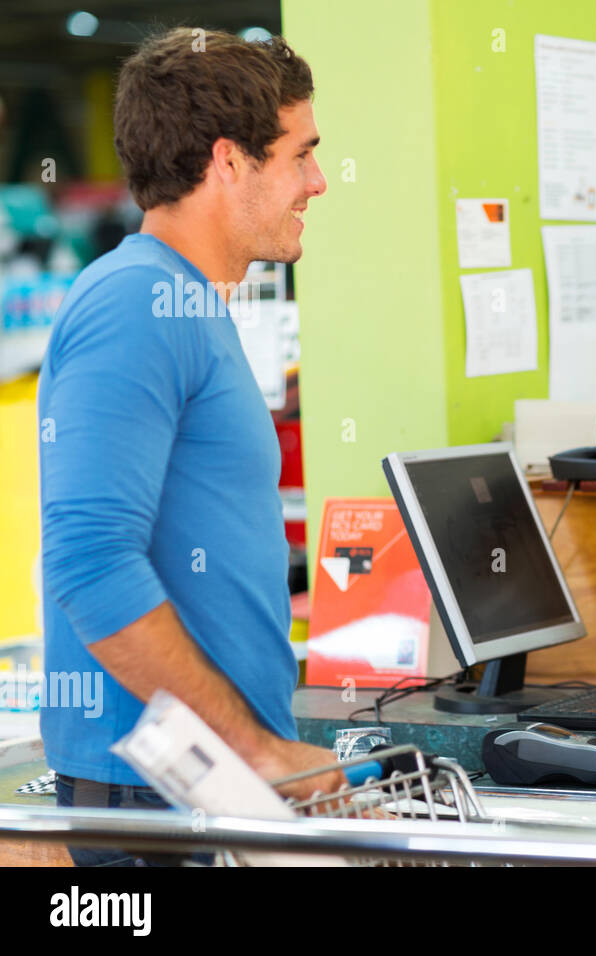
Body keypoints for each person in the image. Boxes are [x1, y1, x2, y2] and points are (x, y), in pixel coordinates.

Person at [37, 28, 342, 865]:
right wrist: (254, 748)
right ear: (230, 161)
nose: (317, 182)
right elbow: (89, 559)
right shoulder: (135, 304)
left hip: (196, 786)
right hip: (159, 796)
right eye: (300, 154)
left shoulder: (185, 302)